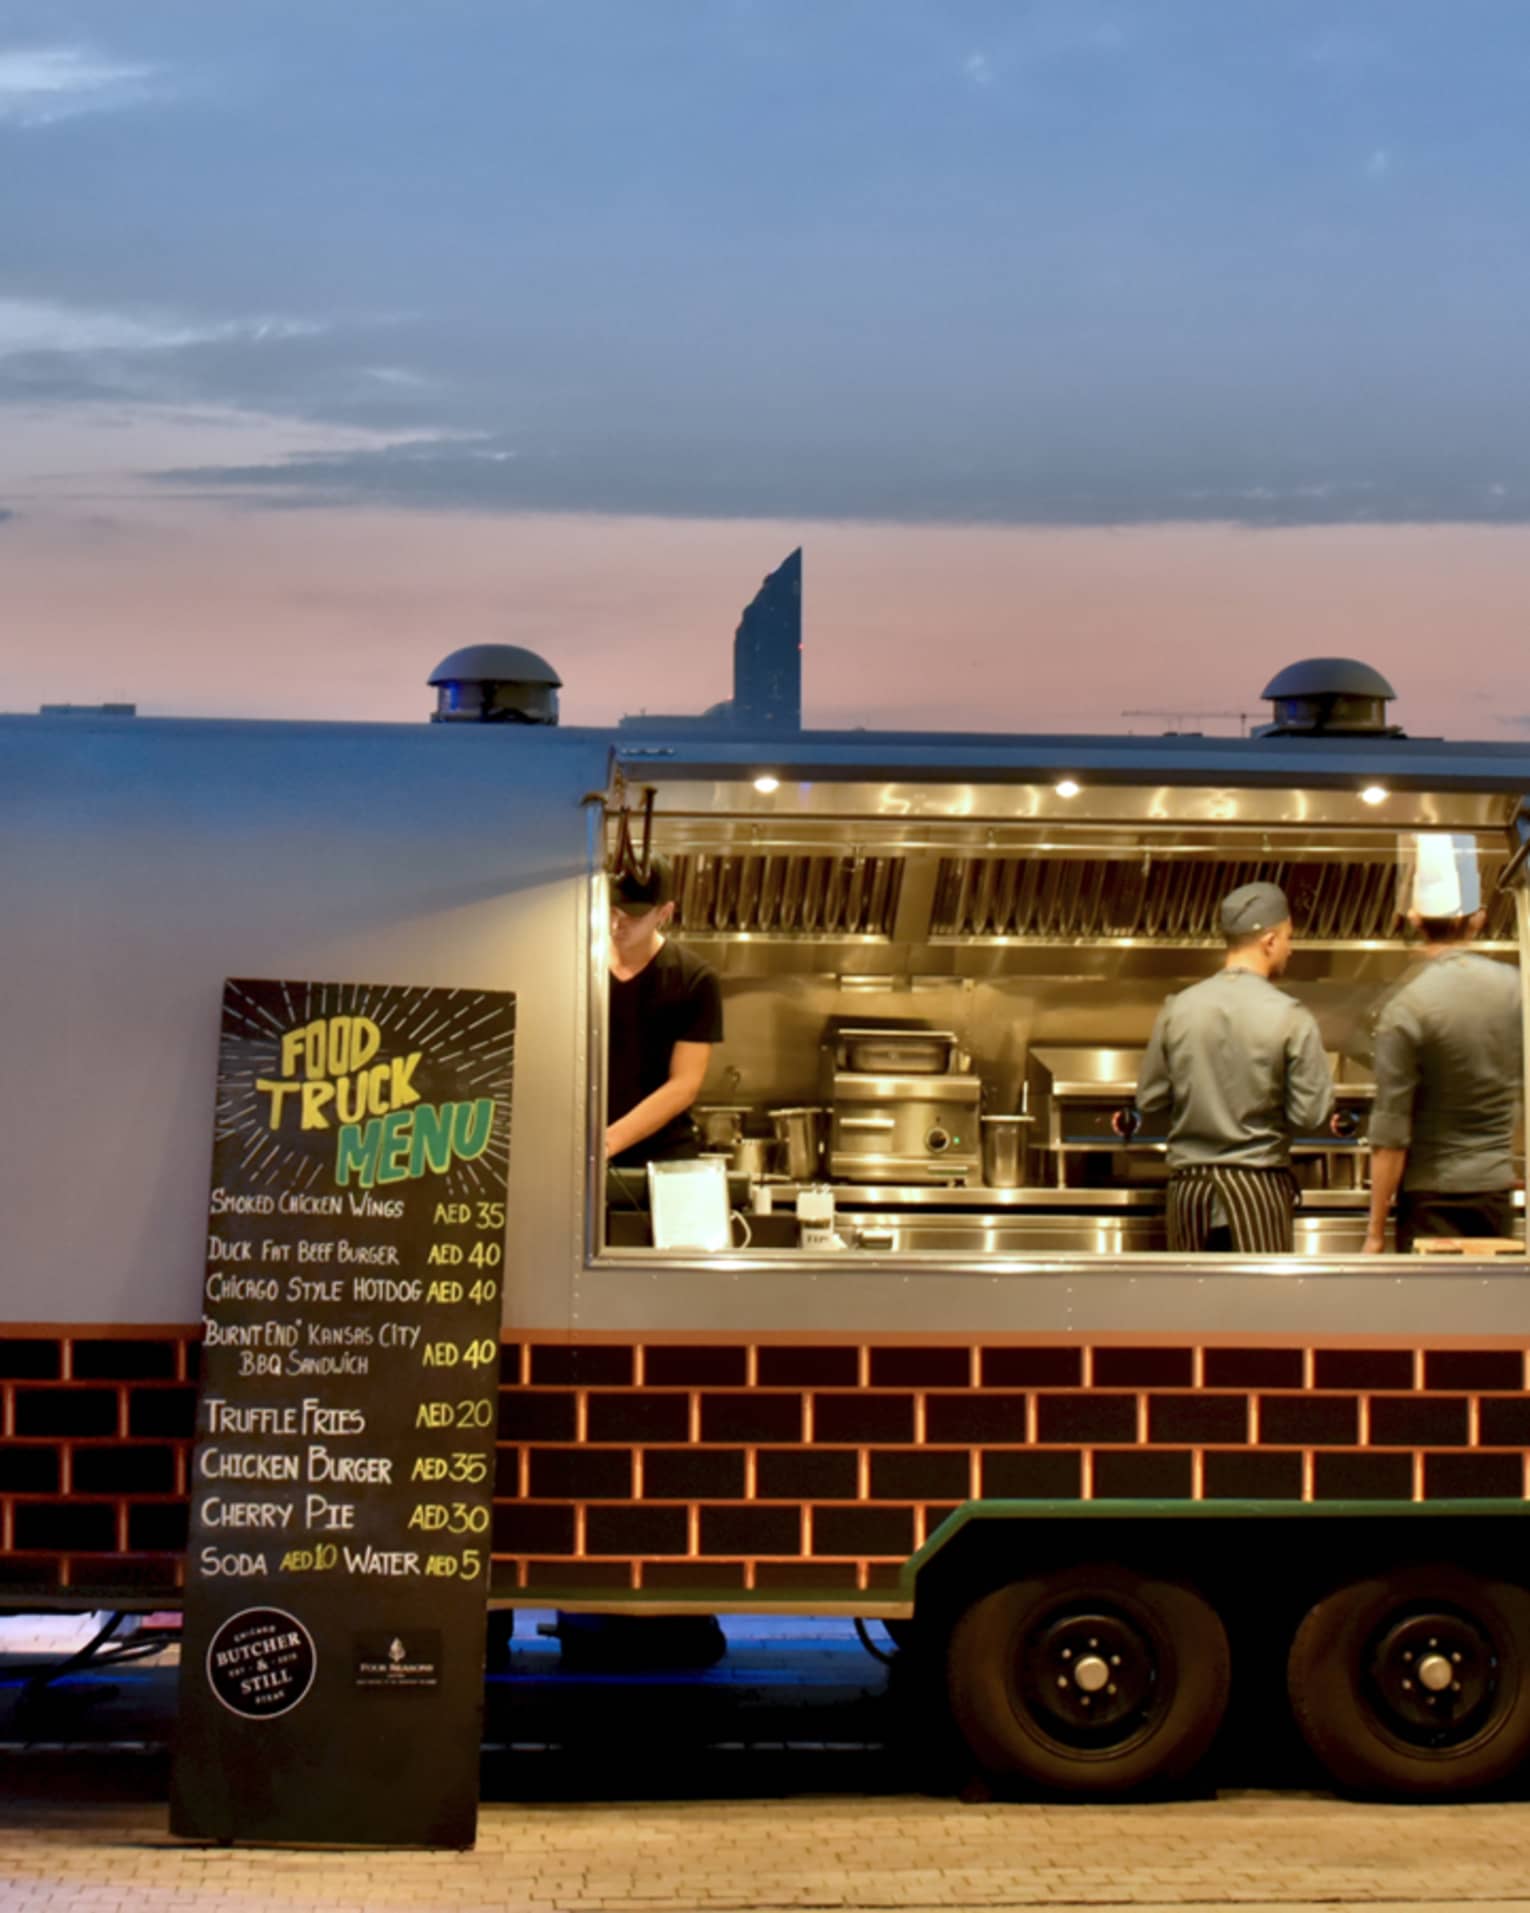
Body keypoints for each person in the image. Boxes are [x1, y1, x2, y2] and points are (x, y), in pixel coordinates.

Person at [1138, 881, 1333, 1253]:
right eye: (1289, 938)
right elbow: (1311, 1114)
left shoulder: (1177, 1008)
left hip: (1189, 1193)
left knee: (1192, 1308)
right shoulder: (1290, 1016)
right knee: (1260, 1309)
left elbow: (1149, 1101)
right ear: (1270, 941)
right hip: (1259, 1189)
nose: (1291, 949)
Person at [1363, 835, 1522, 1253]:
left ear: (1414, 919)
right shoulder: (1516, 990)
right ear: (1477, 919)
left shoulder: (1407, 1007)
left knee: (1429, 1318)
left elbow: (1391, 1133)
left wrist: (1375, 1232)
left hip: (1429, 1201)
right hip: (1494, 1196)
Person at [606, 854, 723, 1170]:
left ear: (664, 913)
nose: (617, 923)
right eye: (612, 910)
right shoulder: (580, 972)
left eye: (633, 915)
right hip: (581, 1154)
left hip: (664, 1158)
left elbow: (684, 1085)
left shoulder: (695, 979)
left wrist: (604, 1143)